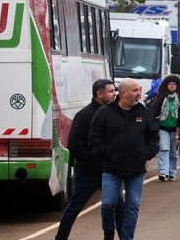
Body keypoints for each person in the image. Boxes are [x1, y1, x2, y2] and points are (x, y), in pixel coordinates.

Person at [89, 78, 159, 240]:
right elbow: (94, 138)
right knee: (108, 204)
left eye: (139, 90)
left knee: (132, 206)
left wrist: (147, 153)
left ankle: (126, 238)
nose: (139, 93)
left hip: (136, 169)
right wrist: (106, 153)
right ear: (123, 93)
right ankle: (108, 231)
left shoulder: (144, 113)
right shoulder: (105, 113)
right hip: (111, 169)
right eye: (135, 90)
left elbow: (153, 135)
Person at [56, 79, 124, 240]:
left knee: (119, 206)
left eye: (114, 91)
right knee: (75, 206)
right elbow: (74, 143)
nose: (114, 94)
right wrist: (91, 159)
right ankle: (60, 237)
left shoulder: (115, 112)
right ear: (99, 94)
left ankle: (122, 236)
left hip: (110, 170)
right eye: (110, 91)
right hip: (88, 171)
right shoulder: (85, 115)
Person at [151, 75, 180, 182]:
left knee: (174, 153)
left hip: (176, 130)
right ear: (166, 85)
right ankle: (163, 172)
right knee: (164, 149)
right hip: (163, 128)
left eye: (174, 84)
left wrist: (178, 135)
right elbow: (154, 112)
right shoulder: (161, 97)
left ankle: (172, 173)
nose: (172, 86)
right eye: (170, 84)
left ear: (177, 86)